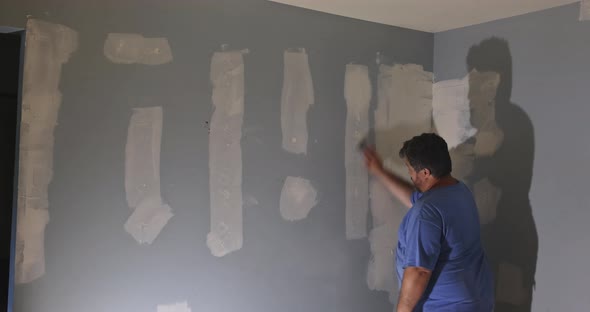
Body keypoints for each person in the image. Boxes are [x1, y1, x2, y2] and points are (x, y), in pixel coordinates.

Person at [362, 133, 494, 312]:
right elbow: (415, 199)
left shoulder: (426, 212)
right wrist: (380, 172)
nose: (409, 174)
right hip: (476, 301)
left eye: (409, 169)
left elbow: (418, 271)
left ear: (425, 173)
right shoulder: (459, 191)